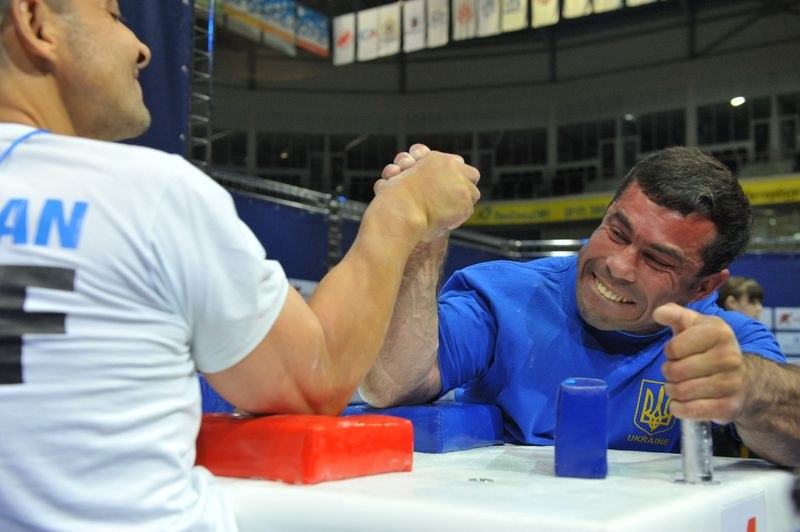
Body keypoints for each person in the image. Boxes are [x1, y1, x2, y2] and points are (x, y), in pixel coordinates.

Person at [0, 1, 480, 530]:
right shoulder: (148, 192)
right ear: (35, 22)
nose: (141, 49)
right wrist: (404, 209)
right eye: (114, 16)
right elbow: (313, 382)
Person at [361, 144, 800, 468]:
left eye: (657, 259)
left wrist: (749, 388)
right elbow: (391, 385)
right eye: (617, 231)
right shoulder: (504, 295)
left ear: (703, 285)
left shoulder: (725, 345)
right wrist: (423, 240)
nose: (618, 266)